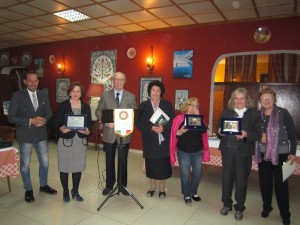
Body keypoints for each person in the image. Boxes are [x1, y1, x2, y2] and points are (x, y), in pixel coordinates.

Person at [8, 70, 57, 202]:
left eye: (36, 81)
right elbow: (11, 117)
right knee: (25, 164)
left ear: (38, 81)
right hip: (25, 135)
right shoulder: (17, 96)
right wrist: (30, 121)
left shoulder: (43, 94)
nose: (33, 83)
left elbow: (49, 113)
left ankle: (43, 185)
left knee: (45, 162)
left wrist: (44, 120)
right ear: (25, 82)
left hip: (41, 134)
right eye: (30, 81)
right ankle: (28, 189)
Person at [216, 87, 261, 220]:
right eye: (237, 98)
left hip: (243, 153)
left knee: (241, 181)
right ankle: (226, 204)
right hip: (228, 151)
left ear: (247, 99)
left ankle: (239, 207)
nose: (239, 101)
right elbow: (219, 129)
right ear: (233, 100)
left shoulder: (254, 114)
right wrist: (220, 132)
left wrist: (246, 134)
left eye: (242, 98)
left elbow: (258, 134)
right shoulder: (226, 112)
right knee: (226, 179)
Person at [254, 88, 297, 225]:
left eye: (269, 98)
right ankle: (267, 207)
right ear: (260, 100)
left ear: (274, 99)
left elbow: (292, 134)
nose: (266, 101)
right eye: (263, 98)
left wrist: (292, 152)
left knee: (281, 186)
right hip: (262, 154)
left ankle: (285, 213)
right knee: (264, 183)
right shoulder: (257, 115)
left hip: (281, 154)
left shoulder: (283, 113)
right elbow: (253, 133)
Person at [95, 72, 137, 196]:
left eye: (121, 79)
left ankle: (123, 185)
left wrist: (124, 121)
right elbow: (98, 111)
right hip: (109, 133)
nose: (119, 82)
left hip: (124, 135)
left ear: (125, 81)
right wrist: (106, 121)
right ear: (113, 81)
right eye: (116, 79)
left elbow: (134, 113)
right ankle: (109, 185)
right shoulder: (105, 94)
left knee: (123, 161)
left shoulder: (131, 96)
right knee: (109, 160)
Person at [136, 80, 175, 198]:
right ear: (149, 91)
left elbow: (173, 122)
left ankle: (162, 188)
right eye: (153, 90)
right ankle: (152, 187)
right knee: (151, 164)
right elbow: (138, 122)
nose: (156, 92)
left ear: (161, 92)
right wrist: (151, 128)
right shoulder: (143, 105)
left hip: (164, 141)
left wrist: (164, 128)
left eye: (158, 90)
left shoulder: (167, 105)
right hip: (150, 141)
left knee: (163, 164)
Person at [55, 82, 92, 202]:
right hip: (66, 141)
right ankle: (65, 191)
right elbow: (54, 122)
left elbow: (89, 124)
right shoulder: (63, 106)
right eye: (73, 91)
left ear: (81, 93)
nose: (75, 94)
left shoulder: (86, 107)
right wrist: (60, 128)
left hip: (80, 141)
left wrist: (88, 131)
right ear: (69, 92)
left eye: (78, 91)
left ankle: (75, 191)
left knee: (77, 167)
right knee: (64, 167)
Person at [170, 97, 209, 204]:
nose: (194, 108)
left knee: (197, 174)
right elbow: (174, 135)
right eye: (192, 105)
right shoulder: (179, 118)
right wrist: (180, 131)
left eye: (196, 106)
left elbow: (204, 130)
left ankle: (193, 192)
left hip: (197, 150)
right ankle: (187, 194)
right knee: (185, 174)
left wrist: (198, 115)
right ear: (187, 106)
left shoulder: (199, 118)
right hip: (184, 151)